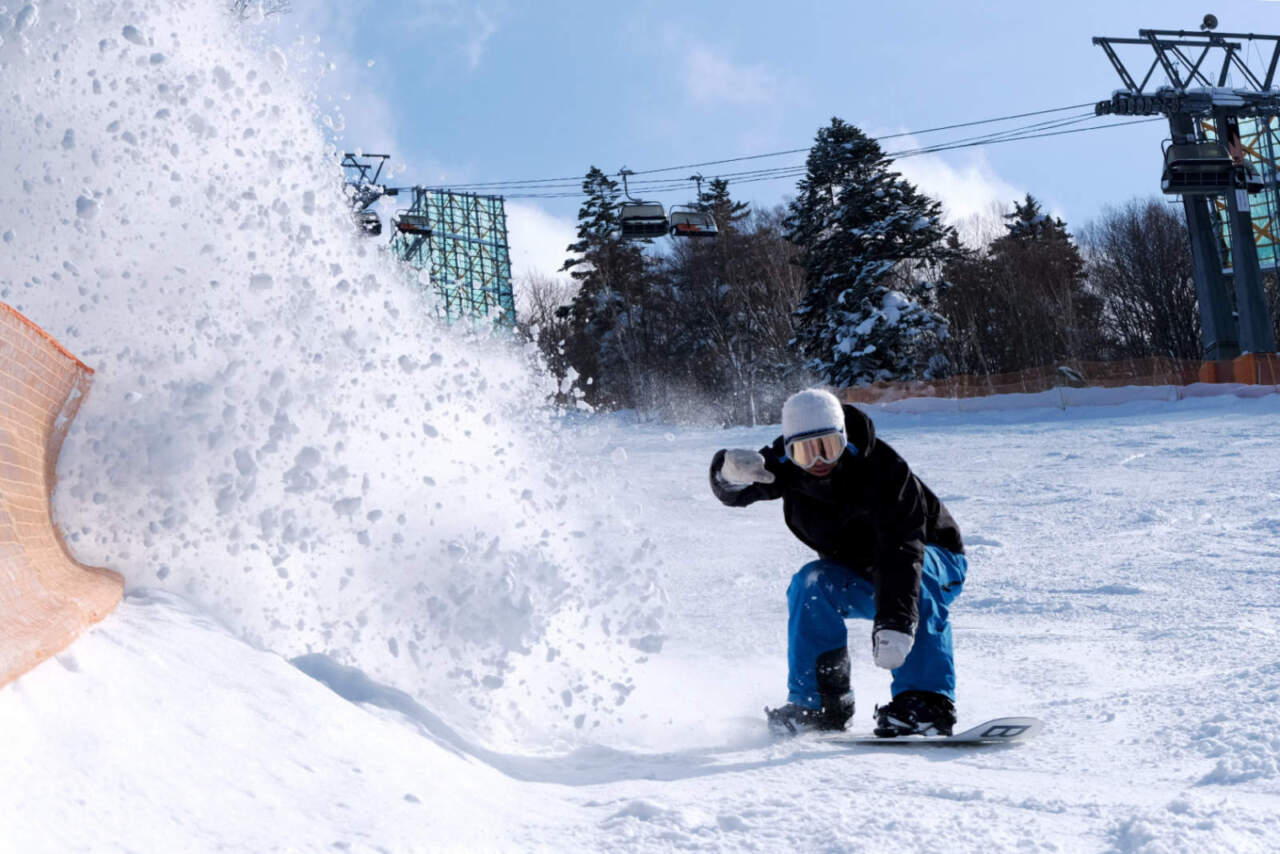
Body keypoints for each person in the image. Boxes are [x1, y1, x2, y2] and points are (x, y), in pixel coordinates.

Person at [708, 388, 967, 737]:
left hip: (931, 559)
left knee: (912, 581)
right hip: (860, 570)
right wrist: (727, 474)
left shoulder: (884, 470)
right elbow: (738, 489)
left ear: (844, 438)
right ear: (790, 451)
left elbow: (902, 549)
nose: (818, 461)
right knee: (811, 583)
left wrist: (896, 621)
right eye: (804, 452)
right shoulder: (786, 466)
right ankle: (821, 704)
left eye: (828, 447)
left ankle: (925, 702)